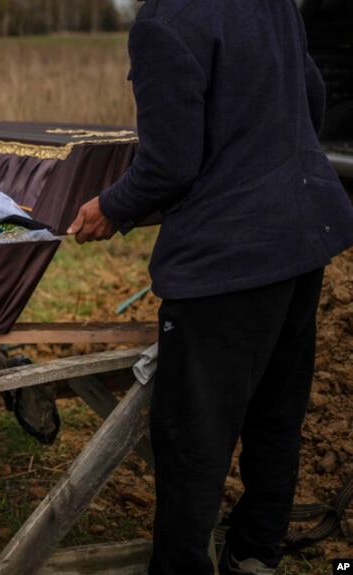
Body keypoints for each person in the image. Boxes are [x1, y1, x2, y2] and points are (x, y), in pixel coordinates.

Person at [66, 2, 353, 574]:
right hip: (301, 239)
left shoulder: (165, 21)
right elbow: (312, 95)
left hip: (228, 260)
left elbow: (169, 164)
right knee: (276, 416)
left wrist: (111, 208)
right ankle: (255, 555)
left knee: (192, 440)